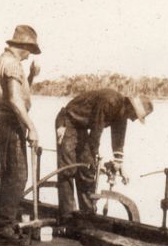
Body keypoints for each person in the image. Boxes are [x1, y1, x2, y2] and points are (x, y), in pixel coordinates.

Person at [55, 89, 153, 223]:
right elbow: (96, 131)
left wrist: (118, 164)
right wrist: (94, 160)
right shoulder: (110, 101)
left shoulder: (122, 113)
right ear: (131, 106)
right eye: (135, 115)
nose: (134, 119)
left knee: (87, 171)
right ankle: (67, 216)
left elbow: (119, 139)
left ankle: (87, 215)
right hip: (68, 120)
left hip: (82, 127)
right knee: (68, 169)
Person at [0, 25, 41, 244]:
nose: (31, 54)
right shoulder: (11, 63)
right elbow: (13, 99)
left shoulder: (8, 61)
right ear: (24, 46)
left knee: (10, 173)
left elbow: (17, 94)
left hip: (8, 122)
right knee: (18, 175)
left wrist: (30, 76)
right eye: (31, 49)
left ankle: (3, 224)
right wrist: (31, 126)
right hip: (12, 123)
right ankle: (4, 226)